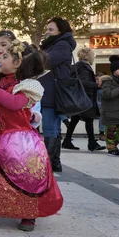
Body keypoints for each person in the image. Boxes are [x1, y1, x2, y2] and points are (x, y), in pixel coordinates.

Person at [0, 40, 63, 231]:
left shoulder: (27, 86)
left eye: (5, 57)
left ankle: (28, 213)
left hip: (21, 142)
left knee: (27, 177)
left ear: (18, 63)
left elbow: (13, 103)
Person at [39, 17, 77, 172]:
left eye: (51, 29)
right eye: (47, 29)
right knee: (53, 128)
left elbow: (46, 62)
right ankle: (54, 162)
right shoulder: (56, 44)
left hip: (53, 93)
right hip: (51, 91)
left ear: (60, 31)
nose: (47, 32)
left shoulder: (61, 45)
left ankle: (50, 162)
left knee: (50, 128)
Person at [62, 47, 106, 152]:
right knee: (89, 119)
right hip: (85, 97)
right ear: (89, 56)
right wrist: (97, 86)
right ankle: (91, 143)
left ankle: (67, 141)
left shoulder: (77, 66)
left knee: (75, 119)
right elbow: (83, 82)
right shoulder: (84, 67)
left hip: (78, 97)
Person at [99, 57, 119, 157]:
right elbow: (107, 95)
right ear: (113, 70)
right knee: (111, 131)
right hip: (110, 112)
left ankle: (113, 146)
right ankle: (111, 149)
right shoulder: (107, 81)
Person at [96, 72, 106, 141]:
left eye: (100, 80)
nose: (98, 81)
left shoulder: (105, 88)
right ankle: (102, 132)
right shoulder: (92, 87)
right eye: (97, 79)